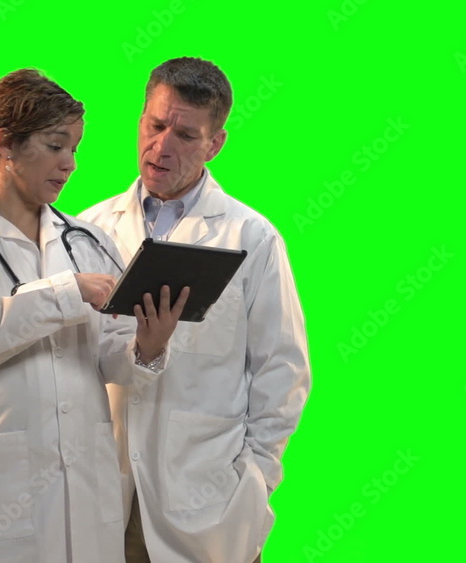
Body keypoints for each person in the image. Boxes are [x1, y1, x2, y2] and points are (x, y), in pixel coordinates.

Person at [0, 68, 188, 563]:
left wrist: (150, 343)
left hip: (85, 486)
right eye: (56, 145)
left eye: (75, 149)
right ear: (6, 144)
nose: (70, 164)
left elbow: (112, 358)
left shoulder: (88, 241)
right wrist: (68, 291)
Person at [79, 57, 311, 563]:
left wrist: (254, 479)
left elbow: (283, 368)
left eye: (185, 135)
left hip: (207, 501)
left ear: (215, 144)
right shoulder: (88, 230)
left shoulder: (251, 237)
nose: (162, 146)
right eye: (155, 125)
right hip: (105, 494)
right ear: (140, 119)